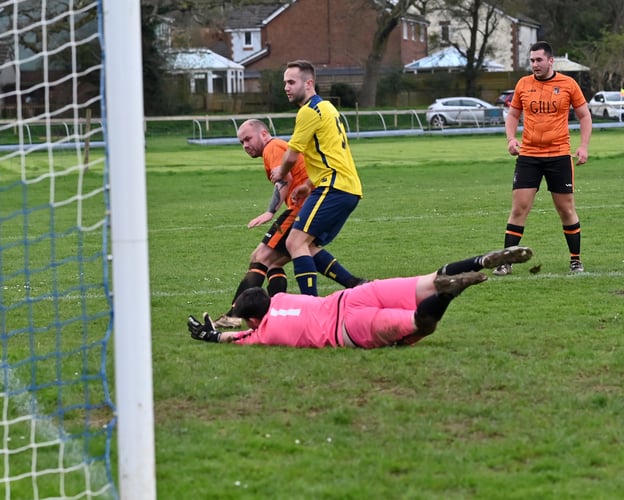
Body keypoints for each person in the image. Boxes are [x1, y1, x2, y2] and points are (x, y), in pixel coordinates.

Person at [188, 246, 534, 348]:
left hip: (350, 328)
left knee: (419, 324)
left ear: (253, 320)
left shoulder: (264, 333)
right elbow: (275, 280)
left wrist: (213, 335)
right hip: (351, 297)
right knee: (429, 279)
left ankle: (450, 293)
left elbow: (241, 336)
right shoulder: (281, 299)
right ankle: (476, 262)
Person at [495, 41, 592, 276]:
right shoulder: (523, 84)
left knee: (565, 209)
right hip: (529, 156)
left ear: (550, 61)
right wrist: (510, 139)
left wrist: (583, 146)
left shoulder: (568, 84)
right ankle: (506, 262)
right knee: (519, 208)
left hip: (559, 156)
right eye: (532, 60)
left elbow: (584, 116)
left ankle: (575, 260)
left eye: (539, 60)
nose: (535, 64)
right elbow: (513, 115)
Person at [268, 59, 364, 296]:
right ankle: (357, 285)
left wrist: (281, 171)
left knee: (294, 243)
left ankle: (311, 306)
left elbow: (292, 154)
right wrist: (307, 184)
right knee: (307, 246)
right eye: (285, 82)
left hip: (334, 188)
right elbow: (331, 155)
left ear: (309, 83)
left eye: (291, 82)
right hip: (345, 188)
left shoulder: (308, 111)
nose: (286, 87)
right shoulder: (328, 108)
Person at [213, 119, 310, 329]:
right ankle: (278, 313)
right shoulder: (276, 147)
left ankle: (234, 315)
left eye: (248, 139)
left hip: (300, 209)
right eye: (241, 142)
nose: (245, 145)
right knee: (274, 263)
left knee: (260, 257)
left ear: (264, 133)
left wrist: (270, 212)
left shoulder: (272, 147)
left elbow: (284, 179)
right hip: (306, 207)